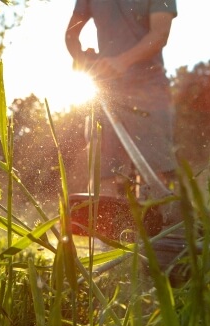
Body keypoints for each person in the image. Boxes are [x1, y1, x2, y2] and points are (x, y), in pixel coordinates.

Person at [65, 0, 179, 217]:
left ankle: (155, 229)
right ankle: (105, 232)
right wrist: (81, 57)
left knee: (153, 165)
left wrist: (123, 61)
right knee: (103, 168)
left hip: (148, 87)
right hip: (106, 87)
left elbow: (160, 34)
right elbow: (71, 34)